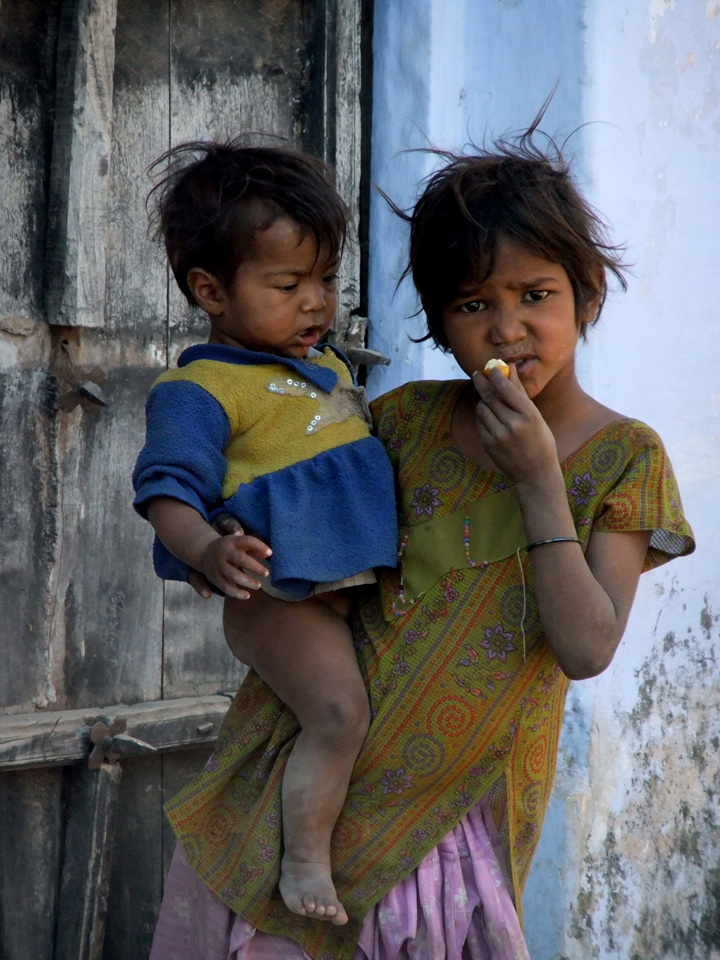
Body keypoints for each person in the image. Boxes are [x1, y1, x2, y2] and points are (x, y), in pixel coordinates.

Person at [149, 124, 694, 960]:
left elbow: (585, 648)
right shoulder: (403, 423)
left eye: (536, 295)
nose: (509, 329)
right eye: (475, 306)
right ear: (441, 325)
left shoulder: (627, 459)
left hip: (448, 823)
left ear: (588, 295)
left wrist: (540, 481)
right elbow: (289, 506)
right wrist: (223, 540)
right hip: (301, 795)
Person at [133, 141, 398, 925]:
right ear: (210, 290)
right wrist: (208, 550)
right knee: (339, 715)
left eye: (325, 280)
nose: (316, 302)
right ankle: (304, 865)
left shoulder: (328, 366)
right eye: (288, 284)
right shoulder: (198, 388)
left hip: (345, 590)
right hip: (280, 597)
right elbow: (165, 493)